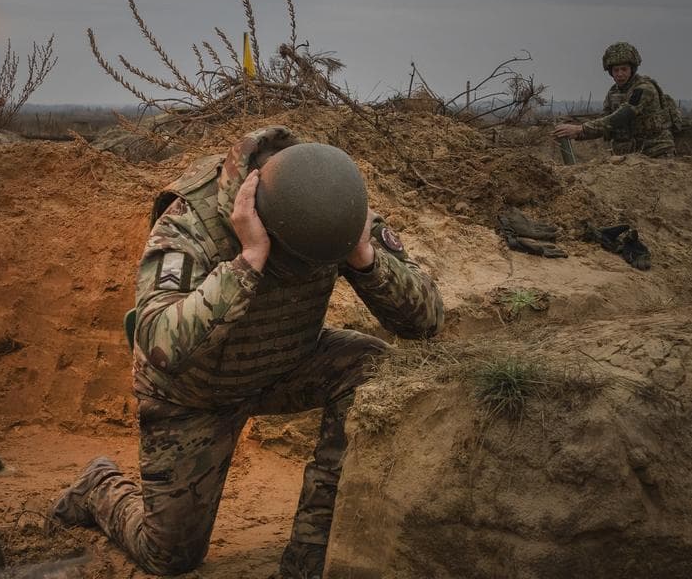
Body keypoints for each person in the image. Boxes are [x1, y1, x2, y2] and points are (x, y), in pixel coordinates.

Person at [48, 126, 444, 578]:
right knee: (170, 557)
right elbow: (158, 342)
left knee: (369, 365)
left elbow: (428, 321)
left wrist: (363, 257)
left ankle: (308, 555)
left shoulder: (330, 204)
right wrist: (250, 259)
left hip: (283, 363)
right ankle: (99, 485)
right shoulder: (189, 222)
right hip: (193, 394)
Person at [552, 42, 675, 157]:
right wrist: (575, 133)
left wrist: (580, 128)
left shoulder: (644, 88)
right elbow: (604, 123)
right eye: (616, 70)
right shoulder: (613, 93)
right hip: (629, 155)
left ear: (632, 69)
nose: (620, 74)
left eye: (624, 69)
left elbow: (623, 115)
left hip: (656, 152)